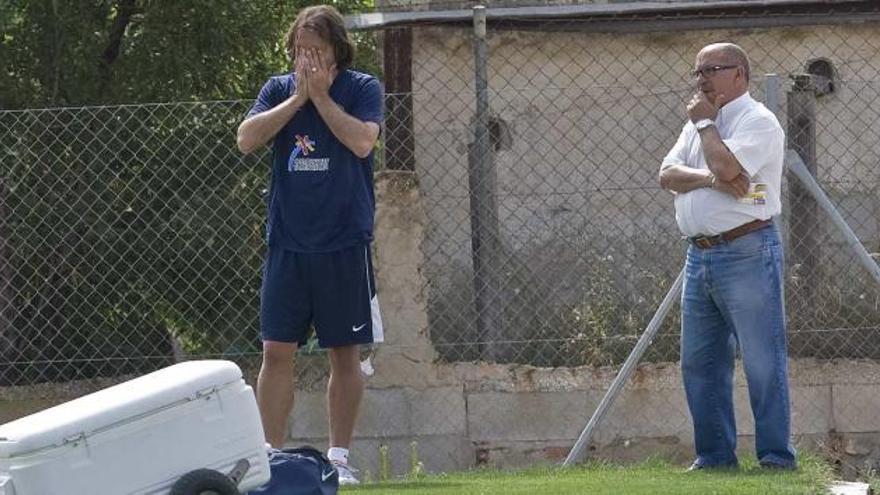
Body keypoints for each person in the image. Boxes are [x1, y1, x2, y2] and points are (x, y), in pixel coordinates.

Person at [236, 4, 384, 485]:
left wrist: (321, 99)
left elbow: (363, 142)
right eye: (300, 50)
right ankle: (267, 459)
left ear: (336, 50)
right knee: (276, 351)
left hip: (343, 241)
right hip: (289, 243)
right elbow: (246, 139)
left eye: (316, 51)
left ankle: (339, 459)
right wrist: (298, 99)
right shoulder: (278, 89)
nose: (307, 60)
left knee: (344, 353)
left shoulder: (361, 88)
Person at [658, 42, 796, 470]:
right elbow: (667, 175)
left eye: (711, 70)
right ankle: (715, 458)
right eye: (697, 72)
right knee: (700, 362)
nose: (701, 81)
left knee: (761, 360)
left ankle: (775, 459)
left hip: (747, 251)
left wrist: (705, 128)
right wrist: (712, 179)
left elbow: (728, 168)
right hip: (699, 257)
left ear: (739, 74)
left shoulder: (758, 121)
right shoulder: (699, 123)